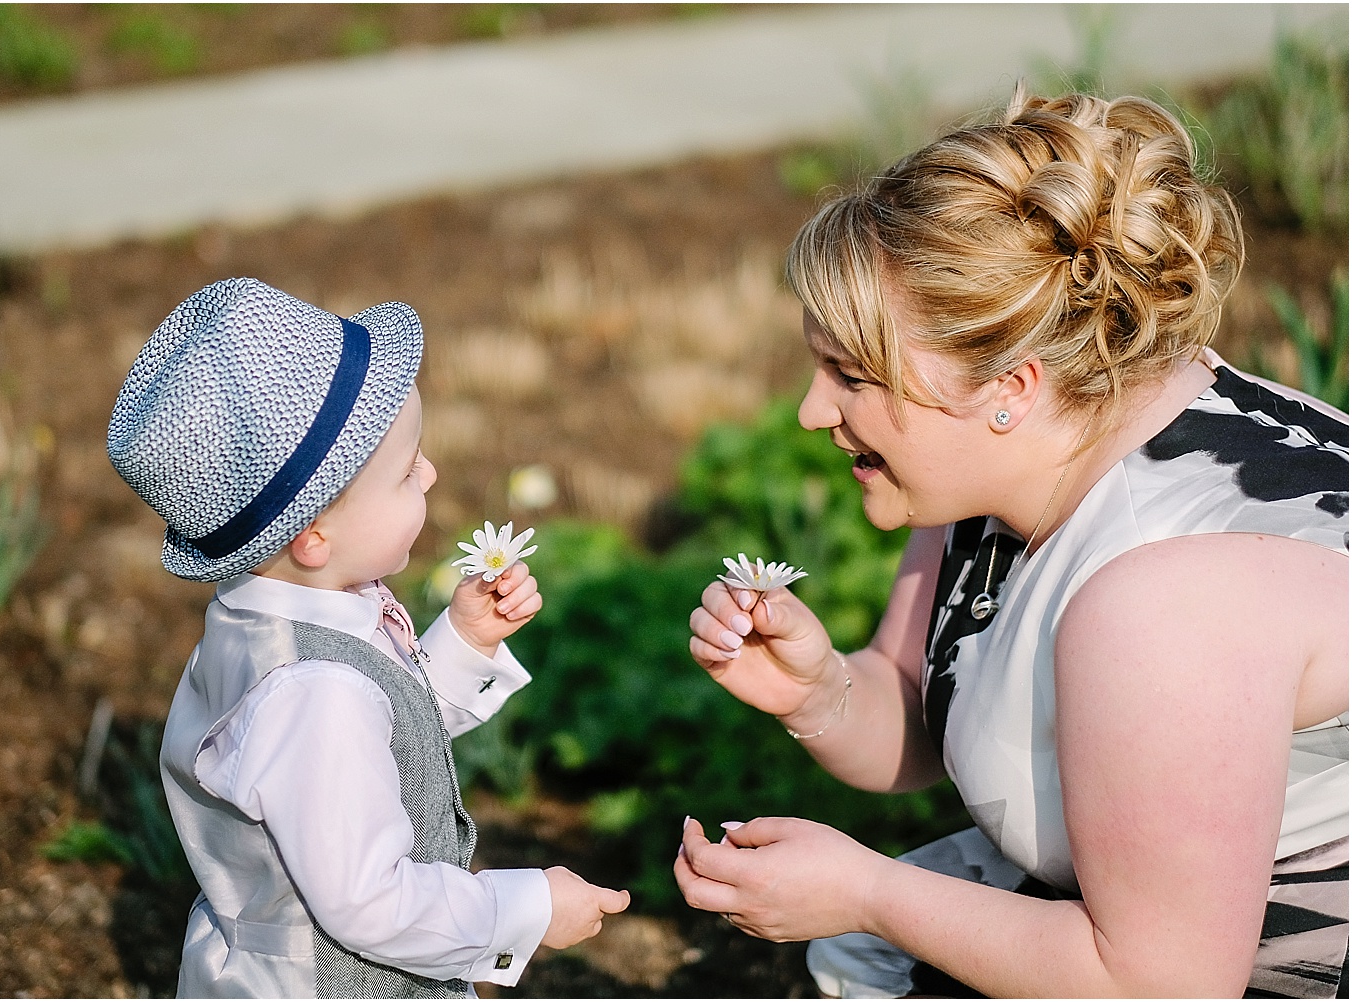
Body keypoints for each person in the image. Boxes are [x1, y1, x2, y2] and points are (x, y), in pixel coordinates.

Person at [677, 91, 1348, 998]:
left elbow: (1164, 985)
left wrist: (870, 893)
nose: (810, 411)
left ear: (1010, 386)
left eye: (852, 375)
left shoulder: (1166, 603)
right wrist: (821, 691)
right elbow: (926, 719)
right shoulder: (1035, 451)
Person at [108, 278, 628, 998]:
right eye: (406, 470)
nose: (432, 471)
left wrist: (462, 643)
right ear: (316, 536)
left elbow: (380, 745)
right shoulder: (314, 691)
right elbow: (370, 901)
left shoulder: (286, 618)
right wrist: (528, 908)